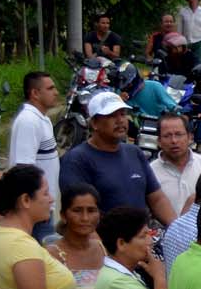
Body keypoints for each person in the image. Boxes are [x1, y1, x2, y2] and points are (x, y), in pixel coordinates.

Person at [58, 92, 176, 226]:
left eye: (123, 114)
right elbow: (79, 215)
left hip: (141, 240)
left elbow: (157, 198)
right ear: (95, 123)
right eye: (112, 115)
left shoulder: (134, 152)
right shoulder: (77, 160)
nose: (120, 120)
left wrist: (177, 230)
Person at [46, 183, 105, 289]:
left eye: (91, 210)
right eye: (77, 211)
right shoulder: (52, 255)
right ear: (64, 215)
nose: (85, 218)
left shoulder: (104, 250)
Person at [5, 69, 61, 221]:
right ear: (35, 93)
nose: (56, 92)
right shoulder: (28, 121)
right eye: (50, 88)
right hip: (34, 210)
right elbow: (24, 168)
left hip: (44, 206)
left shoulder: (43, 119)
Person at [150, 112, 201, 221]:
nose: (174, 141)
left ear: (190, 137)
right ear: (159, 141)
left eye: (179, 134)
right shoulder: (150, 173)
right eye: (167, 136)